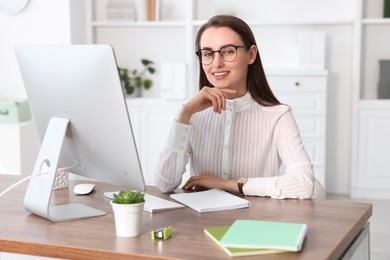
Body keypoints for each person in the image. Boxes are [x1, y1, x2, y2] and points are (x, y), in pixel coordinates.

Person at [154, 15, 314, 199]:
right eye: (207, 53)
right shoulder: (192, 115)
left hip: (256, 222)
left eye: (228, 51)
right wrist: (184, 115)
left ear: (251, 55)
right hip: (201, 222)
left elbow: (304, 184)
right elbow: (165, 184)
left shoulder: (278, 116)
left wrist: (228, 185)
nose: (216, 63)